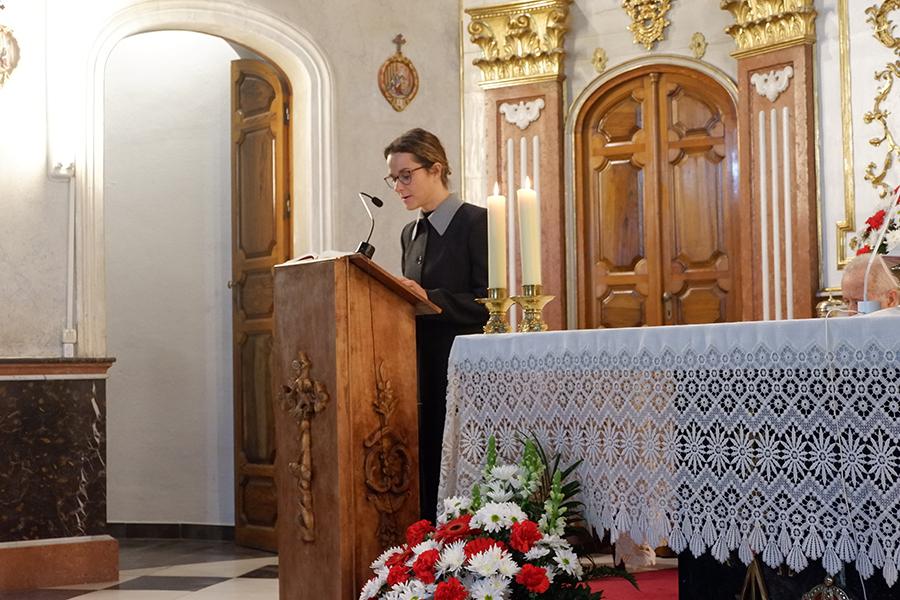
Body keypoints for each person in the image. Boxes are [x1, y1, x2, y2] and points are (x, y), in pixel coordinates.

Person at [383, 128, 488, 521]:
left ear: (436, 169)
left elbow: (487, 303)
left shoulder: (476, 222)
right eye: (393, 179)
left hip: (461, 365)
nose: (398, 187)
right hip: (418, 367)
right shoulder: (409, 233)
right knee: (425, 459)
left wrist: (430, 298)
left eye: (405, 175)